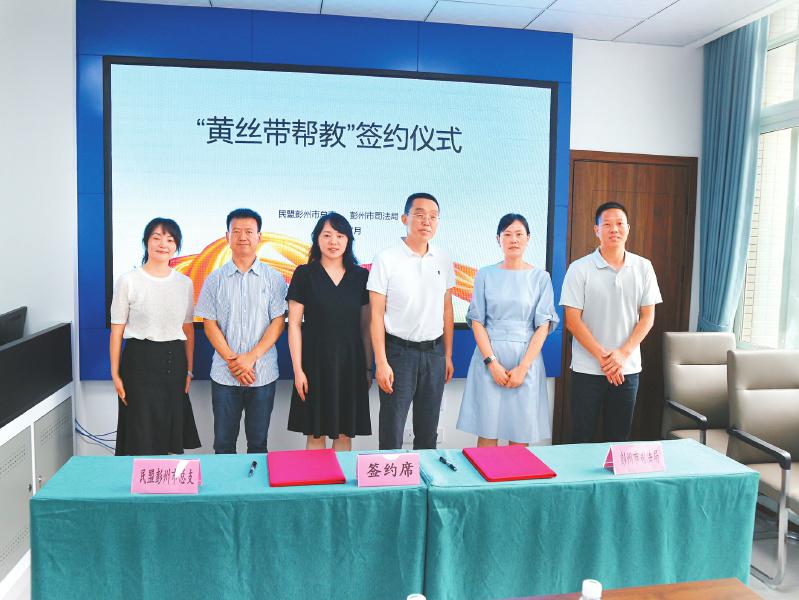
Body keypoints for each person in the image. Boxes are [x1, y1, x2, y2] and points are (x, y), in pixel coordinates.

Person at [560, 201, 662, 442]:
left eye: (619, 224)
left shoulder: (644, 267)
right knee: (581, 439)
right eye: (607, 224)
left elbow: (648, 317)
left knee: (618, 440)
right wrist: (605, 359)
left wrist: (622, 355)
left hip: (627, 370)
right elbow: (572, 321)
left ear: (628, 228)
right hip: (587, 369)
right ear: (596, 230)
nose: (614, 229)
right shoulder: (579, 268)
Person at [457, 214, 558, 446]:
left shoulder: (541, 278)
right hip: (490, 359)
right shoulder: (484, 274)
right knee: (487, 433)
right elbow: (477, 321)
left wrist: (523, 367)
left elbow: (543, 325)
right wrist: (491, 363)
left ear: (528, 238)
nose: (513, 239)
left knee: (520, 435)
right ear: (498, 239)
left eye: (519, 234)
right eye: (508, 234)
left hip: (526, 360)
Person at [195, 208, 287, 454]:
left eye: (249, 231)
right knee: (223, 444)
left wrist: (251, 358)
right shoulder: (214, 279)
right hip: (225, 375)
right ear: (227, 237)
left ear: (259, 237)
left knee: (258, 444)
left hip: (262, 373)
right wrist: (234, 361)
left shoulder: (274, 278)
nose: (243, 237)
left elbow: (278, 322)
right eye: (236, 231)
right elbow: (209, 323)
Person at [368, 192, 456, 450]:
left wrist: (448, 355)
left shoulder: (443, 258)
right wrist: (381, 362)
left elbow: (447, 309)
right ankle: (391, 476)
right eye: (419, 215)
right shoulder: (386, 258)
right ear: (405, 218)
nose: (426, 221)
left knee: (428, 431)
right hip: (398, 353)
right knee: (392, 429)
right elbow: (375, 314)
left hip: (434, 353)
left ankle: (424, 475)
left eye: (433, 216)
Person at [110, 217, 200, 456]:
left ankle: (164, 479)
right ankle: (142, 480)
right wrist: (115, 374)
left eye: (170, 240)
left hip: (174, 362)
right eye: (157, 238)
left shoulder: (184, 283)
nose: (163, 244)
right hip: (139, 363)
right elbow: (117, 330)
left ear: (176, 246)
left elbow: (188, 330)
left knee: (169, 431)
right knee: (140, 432)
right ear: (146, 242)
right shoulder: (128, 280)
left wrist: (189, 371)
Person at [287, 213, 372, 450]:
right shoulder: (304, 274)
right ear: (317, 239)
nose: (333, 241)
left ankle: (340, 477)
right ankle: (317, 477)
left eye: (340, 236)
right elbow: (294, 325)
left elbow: (366, 327)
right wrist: (298, 371)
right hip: (314, 364)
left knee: (344, 434)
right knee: (316, 434)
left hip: (350, 364)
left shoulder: (361, 276)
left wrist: (368, 367)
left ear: (349, 240)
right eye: (327, 235)